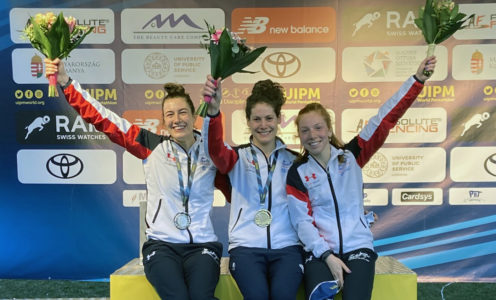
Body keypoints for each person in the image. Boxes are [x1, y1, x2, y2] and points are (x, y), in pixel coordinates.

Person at [45, 58, 228, 300]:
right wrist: (66, 83)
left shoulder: (211, 151)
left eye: (183, 112)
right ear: (163, 121)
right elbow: (104, 119)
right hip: (162, 247)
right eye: (170, 114)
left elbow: (240, 176)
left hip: (202, 246)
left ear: (194, 116)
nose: (177, 119)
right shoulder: (152, 146)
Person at [285, 56, 437, 300]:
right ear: (299, 135)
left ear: (329, 129)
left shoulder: (352, 155)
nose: (312, 135)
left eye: (318, 127)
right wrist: (327, 256)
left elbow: (385, 118)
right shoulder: (298, 172)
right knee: (319, 296)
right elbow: (302, 222)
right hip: (319, 253)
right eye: (305, 130)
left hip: (358, 248)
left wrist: (417, 80)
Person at [202, 76, 304, 300]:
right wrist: (213, 112)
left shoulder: (296, 162)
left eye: (269, 118)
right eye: (256, 119)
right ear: (248, 121)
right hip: (246, 247)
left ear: (279, 119)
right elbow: (215, 150)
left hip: (287, 246)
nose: (263, 125)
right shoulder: (235, 157)